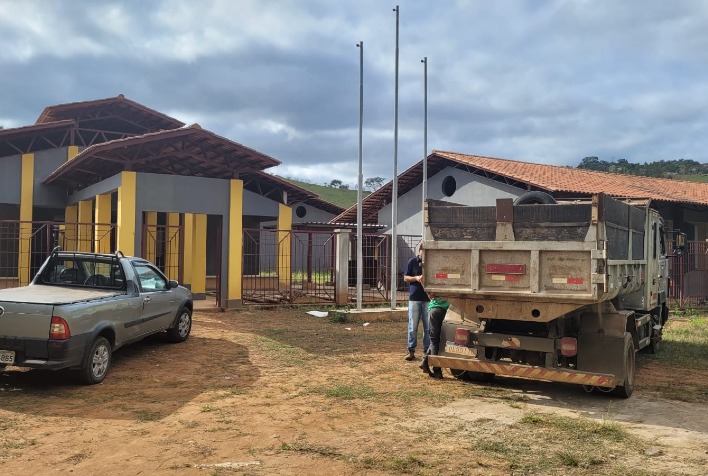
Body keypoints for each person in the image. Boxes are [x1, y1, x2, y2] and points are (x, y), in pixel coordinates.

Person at [403, 244, 429, 361]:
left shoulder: (431, 262)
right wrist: (416, 278)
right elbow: (406, 278)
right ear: (420, 251)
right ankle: (411, 350)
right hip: (414, 299)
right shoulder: (412, 261)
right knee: (413, 326)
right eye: (424, 251)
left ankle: (427, 352)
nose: (426, 254)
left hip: (428, 300)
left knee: (428, 327)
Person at [420, 293, 449, 379]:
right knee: (435, 341)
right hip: (445, 310)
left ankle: (425, 362)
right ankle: (436, 370)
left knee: (434, 340)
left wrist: (428, 293)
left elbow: (424, 282)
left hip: (434, 309)